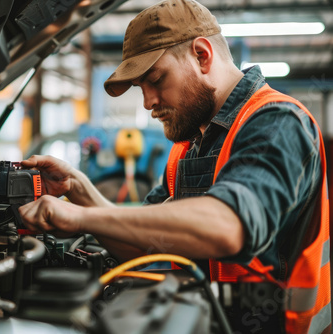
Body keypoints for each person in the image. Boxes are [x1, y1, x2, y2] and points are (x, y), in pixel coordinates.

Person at [18, 0, 330, 332]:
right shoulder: (188, 146)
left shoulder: (278, 122)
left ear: (202, 55)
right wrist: (79, 191)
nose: (148, 102)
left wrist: (82, 217)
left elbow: (228, 225)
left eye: (155, 78)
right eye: (141, 88)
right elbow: (144, 246)